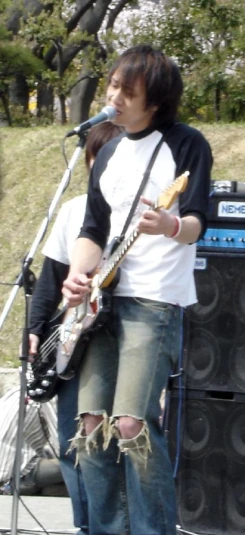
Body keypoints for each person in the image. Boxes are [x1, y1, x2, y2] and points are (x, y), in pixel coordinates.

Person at [61, 44, 213, 534]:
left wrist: (169, 224)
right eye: (112, 87)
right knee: (91, 426)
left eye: (128, 91)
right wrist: (78, 276)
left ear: (156, 101)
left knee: (132, 425)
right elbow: (92, 230)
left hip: (155, 299)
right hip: (102, 302)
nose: (115, 98)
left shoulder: (186, 144)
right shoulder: (105, 151)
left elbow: (197, 223)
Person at [23, 121, 125, 533]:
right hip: (70, 335)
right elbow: (50, 277)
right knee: (71, 439)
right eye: (95, 158)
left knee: (112, 441)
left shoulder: (139, 213)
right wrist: (33, 328)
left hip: (116, 335)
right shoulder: (73, 210)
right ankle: (85, 525)